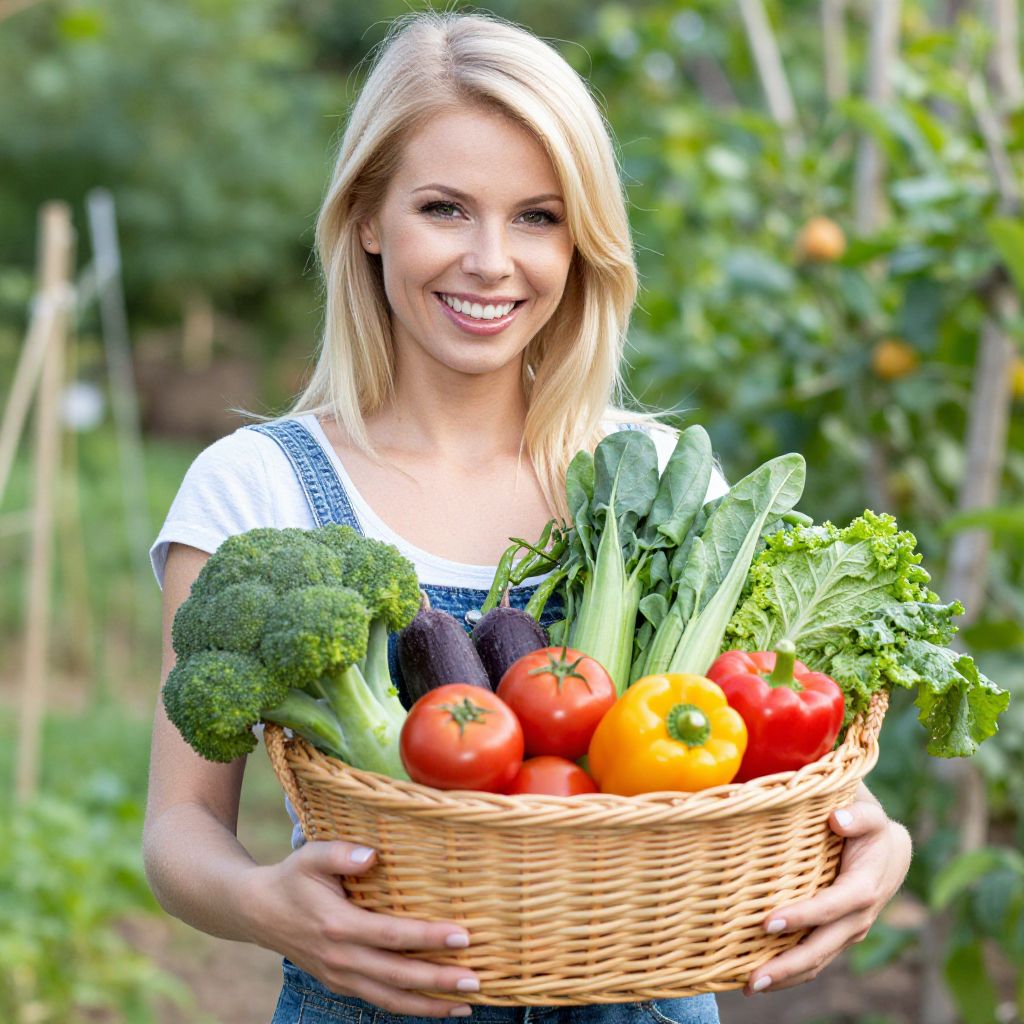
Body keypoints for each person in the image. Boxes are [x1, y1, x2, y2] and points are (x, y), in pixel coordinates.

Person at [143, 9, 913, 1023]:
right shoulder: (257, 486)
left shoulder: (663, 482)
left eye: (539, 217)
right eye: (445, 209)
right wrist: (261, 904)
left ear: (582, 240)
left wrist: (879, 840)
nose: (491, 262)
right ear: (369, 218)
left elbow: (772, 760)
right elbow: (178, 832)